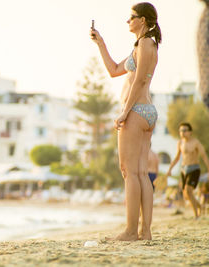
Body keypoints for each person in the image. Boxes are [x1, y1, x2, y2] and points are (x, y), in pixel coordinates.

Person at [91, 2, 161, 240]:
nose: (128, 21)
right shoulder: (144, 45)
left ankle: (131, 231)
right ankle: (145, 232)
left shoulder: (144, 44)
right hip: (147, 111)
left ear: (143, 19)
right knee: (141, 173)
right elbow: (112, 70)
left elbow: (140, 81)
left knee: (129, 171)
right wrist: (100, 43)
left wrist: (124, 112)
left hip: (137, 111)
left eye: (131, 17)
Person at [166, 122, 209, 219]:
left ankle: (196, 215)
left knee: (189, 191)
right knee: (186, 194)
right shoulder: (180, 143)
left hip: (194, 169)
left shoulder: (196, 142)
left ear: (190, 132)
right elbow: (177, 157)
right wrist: (170, 169)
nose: (182, 132)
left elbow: (204, 156)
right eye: (181, 130)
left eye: (184, 130)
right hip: (183, 169)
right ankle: (199, 206)